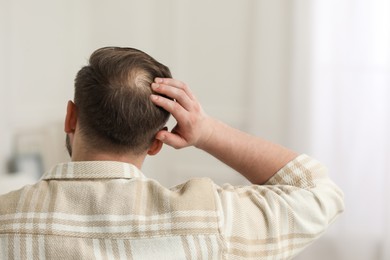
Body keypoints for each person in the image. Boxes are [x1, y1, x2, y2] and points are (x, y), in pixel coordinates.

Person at [0, 47, 344, 259]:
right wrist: (207, 131)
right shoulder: (210, 220)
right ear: (156, 142)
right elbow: (317, 191)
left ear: (70, 117)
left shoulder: (6, 220)